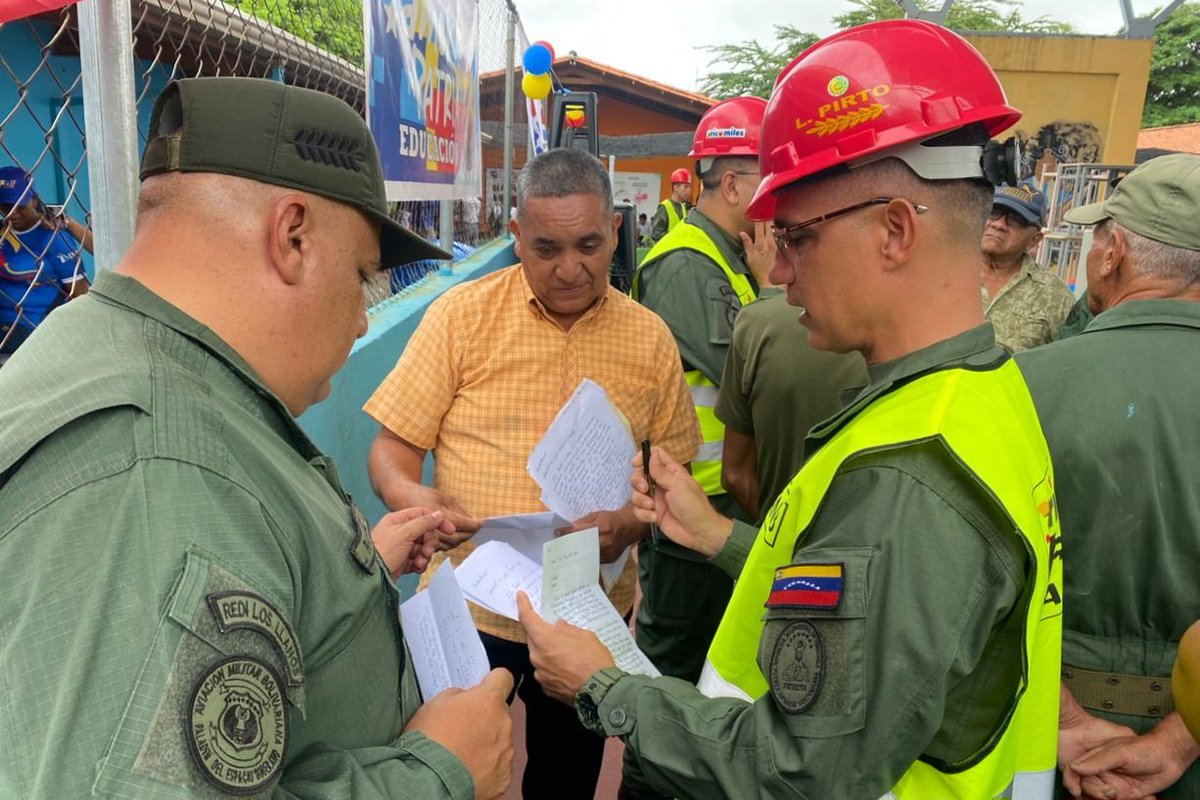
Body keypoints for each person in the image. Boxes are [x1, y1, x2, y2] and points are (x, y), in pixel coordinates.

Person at [519, 20, 1063, 800]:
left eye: (798, 238)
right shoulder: (977, 396)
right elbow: (875, 625)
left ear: (896, 230)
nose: (776, 268)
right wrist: (715, 536)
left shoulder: (909, 477)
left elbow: (803, 770)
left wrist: (605, 687)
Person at [0, 77, 516, 798]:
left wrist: (346, 575)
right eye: (364, 279)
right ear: (293, 237)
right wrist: (441, 772)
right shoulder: (166, 470)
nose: (365, 319)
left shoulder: (122, 352)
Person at [363, 146, 700, 800]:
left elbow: (671, 470)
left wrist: (631, 522)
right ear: (514, 236)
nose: (570, 269)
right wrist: (418, 497)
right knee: (448, 776)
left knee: (566, 779)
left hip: (587, 615)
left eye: (589, 245)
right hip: (470, 605)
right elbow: (391, 451)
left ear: (616, 231)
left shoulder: (649, 338)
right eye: (546, 248)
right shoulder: (461, 318)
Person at [1015, 154, 1200, 800]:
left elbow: (979, 583)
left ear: (1114, 252)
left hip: (1044, 744)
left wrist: (1066, 719)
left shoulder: (1020, 389)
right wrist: (1179, 739)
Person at [628, 95, 773, 691]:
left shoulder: (733, 257)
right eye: (770, 175)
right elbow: (756, 373)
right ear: (734, 184)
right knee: (672, 683)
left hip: (721, 507)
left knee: (719, 681)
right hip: (694, 510)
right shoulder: (688, 264)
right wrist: (770, 293)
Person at [716, 293, 868, 522]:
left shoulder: (758, 323)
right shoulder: (919, 322)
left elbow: (736, 477)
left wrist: (781, 533)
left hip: (782, 541)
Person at [1, 166, 93, 359]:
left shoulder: (53, 237)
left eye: (20, 206)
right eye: (5, 206)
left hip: (30, 328)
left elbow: (79, 295)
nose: (12, 213)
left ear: (34, 198)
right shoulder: (3, 233)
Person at [981, 182, 1075, 351]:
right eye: (993, 213)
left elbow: (1069, 359)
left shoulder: (1055, 296)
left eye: (1016, 220)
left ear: (1035, 239)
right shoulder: (945, 271)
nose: (999, 225)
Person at [648, 167, 692, 242]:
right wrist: (675, 237)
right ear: (676, 187)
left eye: (690, 187)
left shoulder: (683, 208)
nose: (688, 190)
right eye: (685, 187)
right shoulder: (664, 207)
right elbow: (656, 234)